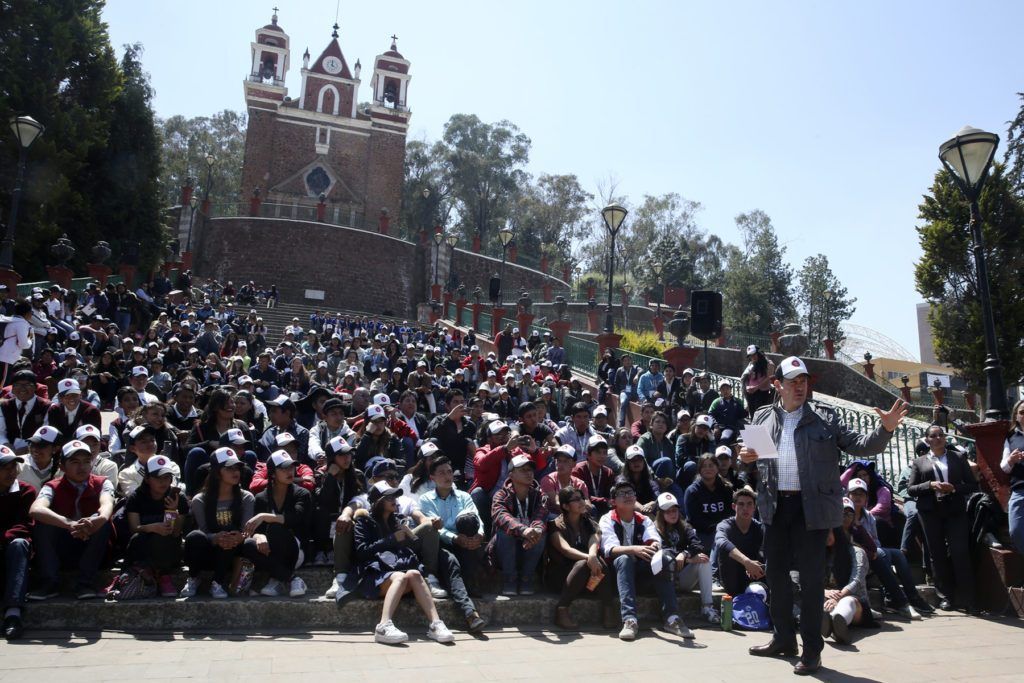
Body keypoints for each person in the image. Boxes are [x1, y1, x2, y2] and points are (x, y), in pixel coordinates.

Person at [739, 356, 906, 675]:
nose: (800, 387)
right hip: (774, 507)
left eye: (804, 381)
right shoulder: (760, 416)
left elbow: (860, 445)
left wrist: (885, 429)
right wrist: (746, 455)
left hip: (811, 510)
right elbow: (752, 460)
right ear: (777, 385)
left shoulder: (824, 417)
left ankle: (812, 650)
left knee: (813, 581)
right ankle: (783, 638)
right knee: (775, 576)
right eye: (793, 381)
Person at [354, 480, 455, 645]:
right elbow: (362, 552)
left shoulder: (399, 520)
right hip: (374, 575)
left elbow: (413, 547)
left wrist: (408, 535)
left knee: (414, 573)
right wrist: (391, 539)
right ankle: (383, 626)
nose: (394, 499)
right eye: (388, 497)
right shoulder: (363, 522)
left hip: (397, 570)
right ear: (378, 501)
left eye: (395, 496)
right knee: (400, 577)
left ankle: (436, 624)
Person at [599, 479, 688, 641]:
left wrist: (652, 548)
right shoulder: (607, 519)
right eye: (621, 494)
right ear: (613, 501)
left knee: (663, 557)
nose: (627, 496)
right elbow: (610, 550)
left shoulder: (644, 519)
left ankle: (672, 618)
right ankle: (630, 620)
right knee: (624, 559)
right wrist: (635, 549)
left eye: (630, 493)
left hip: (640, 572)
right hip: (615, 575)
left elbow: (655, 542)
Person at [28, 440, 115, 600]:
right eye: (75, 462)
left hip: (93, 545)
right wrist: (70, 524)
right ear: (62, 466)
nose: (82, 467)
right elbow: (36, 509)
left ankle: (85, 583)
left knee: (103, 523)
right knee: (43, 522)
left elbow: (107, 504)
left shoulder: (102, 482)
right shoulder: (51, 486)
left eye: (86, 461)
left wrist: (95, 520)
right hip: (63, 546)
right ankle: (50, 582)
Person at [907, 424, 977, 612]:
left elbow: (972, 485)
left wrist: (953, 487)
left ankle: (968, 597)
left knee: (959, 551)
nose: (938, 438)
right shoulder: (919, 462)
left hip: (954, 509)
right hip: (930, 512)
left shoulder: (958, 458)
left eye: (941, 435)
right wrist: (929, 485)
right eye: (933, 435)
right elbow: (911, 489)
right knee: (936, 553)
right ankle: (945, 596)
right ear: (927, 440)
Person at [416, 456, 486, 632]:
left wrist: (479, 535)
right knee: (451, 562)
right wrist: (454, 538)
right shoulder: (426, 499)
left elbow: (476, 518)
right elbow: (435, 528)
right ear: (432, 477)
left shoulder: (464, 496)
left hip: (466, 542)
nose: (447, 476)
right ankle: (470, 613)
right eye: (441, 473)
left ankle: (471, 580)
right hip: (442, 545)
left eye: (449, 471)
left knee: (469, 522)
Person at [180, 447, 261, 599]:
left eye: (237, 467)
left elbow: (246, 529)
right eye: (229, 468)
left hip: (233, 553)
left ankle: (218, 582)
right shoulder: (200, 500)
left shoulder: (247, 498)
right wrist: (215, 538)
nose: (235, 471)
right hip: (210, 552)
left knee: (232, 533)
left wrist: (238, 537)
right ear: (217, 472)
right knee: (194, 537)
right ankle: (193, 577)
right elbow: (204, 531)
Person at [846, 477, 929, 618]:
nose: (858, 497)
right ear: (848, 496)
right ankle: (898, 601)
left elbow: (875, 543)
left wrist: (869, 546)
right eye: (854, 494)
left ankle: (912, 597)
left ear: (866, 497)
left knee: (898, 554)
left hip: (871, 551)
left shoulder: (869, 517)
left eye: (861, 494)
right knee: (879, 556)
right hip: (851, 554)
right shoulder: (843, 513)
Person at [547, 485, 615, 630]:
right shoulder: (555, 525)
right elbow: (565, 550)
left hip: (586, 579)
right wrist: (588, 558)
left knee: (598, 562)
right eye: (576, 499)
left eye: (582, 498)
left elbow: (594, 540)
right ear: (565, 506)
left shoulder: (588, 522)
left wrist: (592, 556)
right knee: (583, 564)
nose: (582, 502)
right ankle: (562, 609)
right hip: (560, 577)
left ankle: (608, 609)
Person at [247, 450, 311, 598]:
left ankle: (276, 578)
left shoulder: (302, 494)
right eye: (283, 468)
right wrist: (258, 536)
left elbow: (296, 519)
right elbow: (257, 529)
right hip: (271, 549)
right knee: (249, 544)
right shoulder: (261, 498)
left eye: (291, 467)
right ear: (273, 474)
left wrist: (264, 516)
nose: (290, 471)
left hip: (296, 549)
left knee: (276, 528)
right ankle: (290, 578)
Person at [123, 455, 188, 598]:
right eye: (158, 478)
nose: (163, 482)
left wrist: (172, 511)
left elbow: (176, 532)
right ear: (147, 479)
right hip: (143, 545)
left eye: (166, 477)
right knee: (140, 538)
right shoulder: (137, 497)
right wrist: (151, 527)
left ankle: (163, 575)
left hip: (168, 548)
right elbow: (134, 528)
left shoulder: (179, 498)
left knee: (163, 535)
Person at [655, 491, 717, 626]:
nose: (673, 514)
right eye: (668, 511)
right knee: (668, 556)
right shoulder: (654, 529)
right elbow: (662, 551)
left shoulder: (684, 526)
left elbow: (698, 545)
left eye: (675, 510)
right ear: (660, 513)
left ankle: (707, 607)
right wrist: (688, 559)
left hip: (682, 577)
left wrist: (685, 555)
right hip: (665, 578)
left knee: (704, 560)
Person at [821, 498, 876, 645]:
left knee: (847, 602)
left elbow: (856, 580)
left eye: (830, 531)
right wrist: (824, 592)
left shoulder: (856, 552)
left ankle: (838, 623)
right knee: (817, 601)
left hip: (854, 601)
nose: (826, 535)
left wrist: (838, 597)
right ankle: (830, 625)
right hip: (827, 598)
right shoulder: (817, 554)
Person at [491, 453, 547, 595]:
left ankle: (526, 579)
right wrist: (523, 530)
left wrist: (536, 530)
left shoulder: (540, 495)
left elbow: (541, 515)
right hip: (505, 551)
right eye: (522, 470)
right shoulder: (501, 495)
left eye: (530, 470)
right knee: (505, 531)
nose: (528, 473)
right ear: (511, 475)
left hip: (530, 546)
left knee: (541, 533)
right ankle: (509, 579)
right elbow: (500, 516)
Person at [0, 445, 33, 640]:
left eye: (13, 467)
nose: (11, 472)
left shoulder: (25, 491)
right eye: (5, 468)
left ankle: (13, 614)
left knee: (19, 544)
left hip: (12, 548)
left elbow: (25, 525)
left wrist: (3, 539)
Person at [714, 488, 766, 597]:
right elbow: (721, 542)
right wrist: (746, 562)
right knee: (726, 551)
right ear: (734, 507)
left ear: (754, 507)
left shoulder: (759, 528)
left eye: (749, 504)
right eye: (741, 504)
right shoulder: (725, 525)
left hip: (754, 574)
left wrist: (756, 566)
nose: (745, 508)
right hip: (732, 576)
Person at [0, 369, 50, 454]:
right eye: (17, 385)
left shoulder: (47, 406)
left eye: (27, 385)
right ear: (12, 388)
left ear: (35, 387)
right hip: (7, 451)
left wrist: (27, 449)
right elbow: (1, 432)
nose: (22, 389)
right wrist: (7, 445)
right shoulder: (3, 406)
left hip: (36, 451)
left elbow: (46, 434)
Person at [1001, 399, 1024, 557]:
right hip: (1019, 491)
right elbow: (1004, 467)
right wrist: (1011, 460)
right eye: (1022, 412)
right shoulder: (1011, 438)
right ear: (1016, 416)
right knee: (1015, 530)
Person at [540, 445, 590, 517]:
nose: (560, 465)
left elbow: (588, 505)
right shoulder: (548, 480)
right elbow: (557, 504)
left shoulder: (579, 484)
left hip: (575, 516)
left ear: (574, 464)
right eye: (558, 460)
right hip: (555, 519)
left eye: (565, 461)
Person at [572, 437, 614, 517]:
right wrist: (604, 500)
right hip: (584, 510)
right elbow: (580, 496)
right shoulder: (578, 470)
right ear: (588, 454)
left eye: (604, 452)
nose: (602, 456)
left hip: (604, 509)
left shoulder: (608, 472)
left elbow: (610, 496)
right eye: (598, 452)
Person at [0, 300, 34, 387]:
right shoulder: (21, 323)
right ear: (27, 313)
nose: (32, 314)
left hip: (3, 355)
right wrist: (30, 341)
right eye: (31, 312)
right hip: (6, 358)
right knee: (2, 385)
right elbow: (23, 344)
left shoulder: (6, 319)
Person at [741, 345, 775, 420]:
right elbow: (745, 377)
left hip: (762, 393)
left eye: (754, 354)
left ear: (759, 353)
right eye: (750, 356)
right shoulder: (751, 364)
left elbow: (768, 378)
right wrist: (747, 386)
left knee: (760, 415)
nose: (753, 357)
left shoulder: (769, 364)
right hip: (750, 393)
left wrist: (756, 387)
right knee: (752, 415)